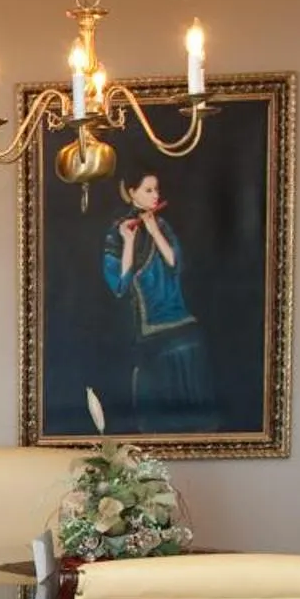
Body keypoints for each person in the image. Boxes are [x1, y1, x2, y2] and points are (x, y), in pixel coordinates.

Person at [100, 173, 214, 433]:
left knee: (192, 343)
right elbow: (120, 285)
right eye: (148, 190)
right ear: (132, 193)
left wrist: (153, 230)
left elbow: (175, 263)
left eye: (157, 190)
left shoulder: (161, 225)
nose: (155, 196)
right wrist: (129, 242)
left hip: (178, 316)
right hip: (147, 326)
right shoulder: (118, 231)